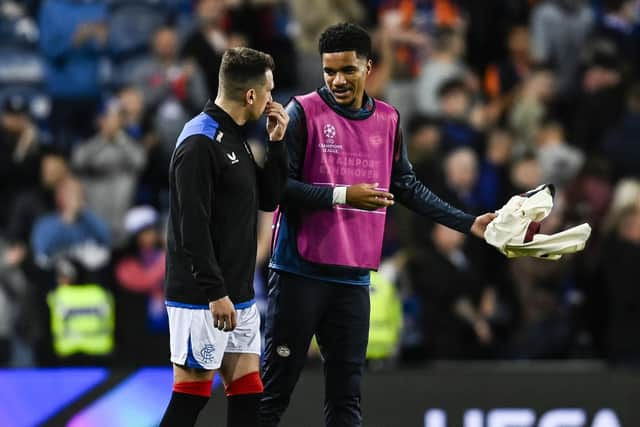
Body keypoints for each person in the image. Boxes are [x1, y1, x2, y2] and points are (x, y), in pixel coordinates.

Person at [261, 23, 495, 427]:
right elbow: (279, 190)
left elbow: (407, 187)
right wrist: (342, 195)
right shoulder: (302, 112)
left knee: (347, 401)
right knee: (274, 394)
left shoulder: (388, 119)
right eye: (329, 71)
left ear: (369, 67)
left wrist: (468, 222)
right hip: (299, 272)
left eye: (347, 70)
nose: (337, 80)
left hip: (352, 278)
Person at [160, 47, 289, 427]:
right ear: (251, 95)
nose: (271, 99)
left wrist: (278, 144)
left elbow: (268, 199)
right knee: (191, 396)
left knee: (249, 390)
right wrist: (215, 292)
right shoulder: (200, 141)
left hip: (239, 294)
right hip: (203, 296)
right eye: (268, 90)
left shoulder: (236, 137)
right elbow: (192, 226)